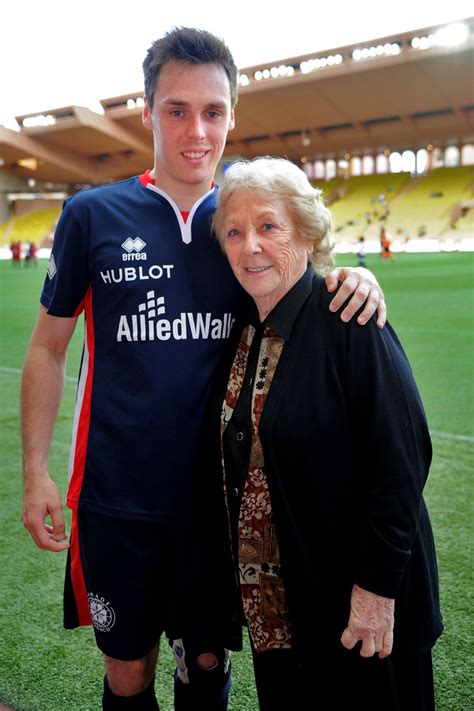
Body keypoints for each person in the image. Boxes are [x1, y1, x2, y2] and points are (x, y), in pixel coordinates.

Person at [20, 28, 387, 711]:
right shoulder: (90, 215)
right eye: (177, 109)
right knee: (127, 674)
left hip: (217, 506)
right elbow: (47, 347)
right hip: (115, 499)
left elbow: (306, 280)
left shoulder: (240, 221)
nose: (197, 129)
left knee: (207, 667)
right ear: (148, 111)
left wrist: (357, 277)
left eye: (213, 111)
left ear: (232, 117)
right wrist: (36, 469)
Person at [197, 156, 443, 710]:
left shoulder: (346, 315)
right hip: (281, 611)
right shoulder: (244, 327)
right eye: (234, 232)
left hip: (358, 614)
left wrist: (375, 593)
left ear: (306, 233)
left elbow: (402, 459)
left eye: (268, 226)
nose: (249, 245)